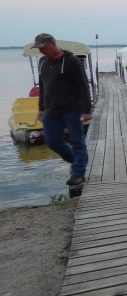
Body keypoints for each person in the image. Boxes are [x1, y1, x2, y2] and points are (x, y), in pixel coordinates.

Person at [34, 33, 92, 186]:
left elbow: (83, 85)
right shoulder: (42, 62)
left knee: (77, 140)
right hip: (50, 110)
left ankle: (78, 173)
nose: (41, 51)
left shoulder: (71, 60)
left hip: (72, 109)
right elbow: (43, 87)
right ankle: (77, 161)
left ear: (52, 44)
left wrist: (87, 110)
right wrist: (41, 108)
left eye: (42, 47)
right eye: (39, 48)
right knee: (52, 141)